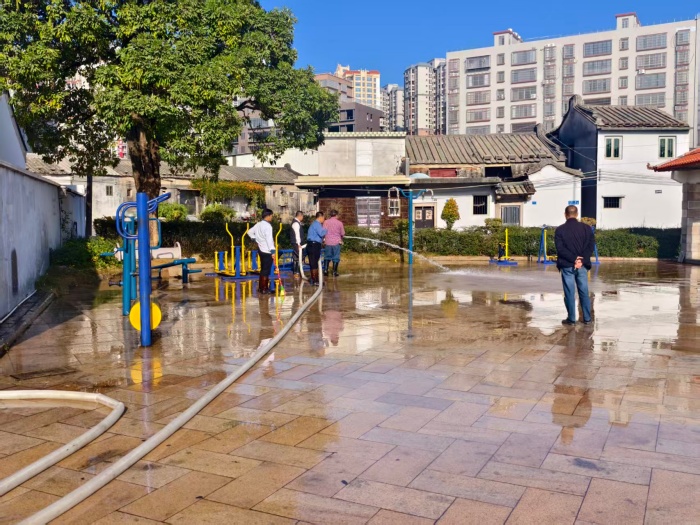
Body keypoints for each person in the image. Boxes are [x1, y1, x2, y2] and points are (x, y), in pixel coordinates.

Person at [554, 205, 595, 325]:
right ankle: (587, 318)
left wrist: (574, 259)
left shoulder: (560, 230)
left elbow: (560, 249)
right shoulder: (587, 228)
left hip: (567, 265)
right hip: (582, 265)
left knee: (569, 292)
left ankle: (571, 319)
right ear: (577, 214)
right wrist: (581, 260)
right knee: (584, 291)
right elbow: (590, 247)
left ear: (565, 215)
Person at [247, 209, 275, 295]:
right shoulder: (268, 226)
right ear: (268, 216)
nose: (272, 217)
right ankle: (264, 289)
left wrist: (255, 239)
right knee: (266, 270)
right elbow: (269, 240)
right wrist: (273, 251)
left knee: (263, 269)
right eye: (271, 216)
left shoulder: (258, 224)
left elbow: (249, 232)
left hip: (261, 249)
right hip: (267, 251)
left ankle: (261, 288)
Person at [306, 211, 326, 286]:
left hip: (311, 245)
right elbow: (321, 233)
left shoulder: (314, 224)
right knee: (314, 263)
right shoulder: (317, 224)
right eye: (323, 218)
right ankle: (315, 280)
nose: (324, 219)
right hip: (314, 245)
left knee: (313, 262)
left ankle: (314, 279)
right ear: (320, 217)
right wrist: (327, 229)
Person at [323, 210, 345, 277]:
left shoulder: (326, 222)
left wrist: (324, 239)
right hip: (336, 242)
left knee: (327, 257)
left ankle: (325, 271)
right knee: (336, 257)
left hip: (328, 242)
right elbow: (342, 233)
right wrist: (341, 239)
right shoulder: (340, 223)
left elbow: (323, 232)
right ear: (336, 215)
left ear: (330, 215)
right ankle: (334, 272)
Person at [289, 211, 306, 280]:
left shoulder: (297, 223)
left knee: (297, 257)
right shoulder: (296, 223)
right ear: (300, 216)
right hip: (296, 243)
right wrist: (299, 244)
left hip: (296, 243)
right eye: (302, 216)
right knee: (298, 257)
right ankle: (296, 272)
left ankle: (298, 272)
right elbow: (297, 235)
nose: (303, 218)